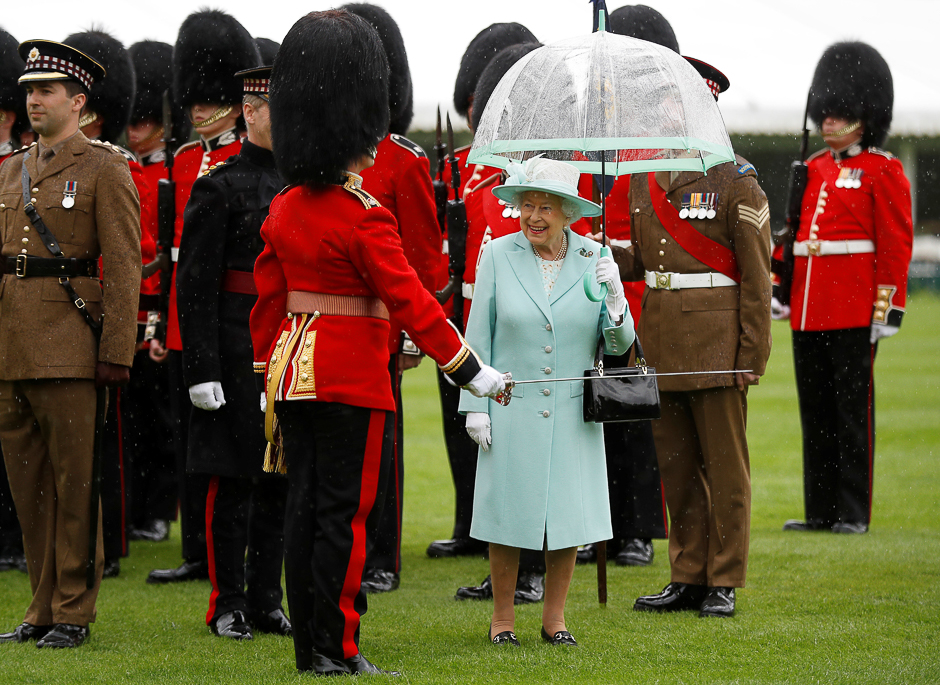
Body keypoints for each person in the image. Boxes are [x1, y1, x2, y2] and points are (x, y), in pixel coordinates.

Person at [250, 10, 505, 676]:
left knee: (303, 510)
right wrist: (468, 367)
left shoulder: (285, 207)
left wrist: (264, 370)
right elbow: (412, 302)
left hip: (292, 376)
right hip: (350, 377)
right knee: (344, 518)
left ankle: (310, 645)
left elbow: (268, 298)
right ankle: (340, 646)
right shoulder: (363, 217)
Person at [601, 58, 772, 619]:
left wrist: (751, 355)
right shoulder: (645, 178)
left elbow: (755, 274)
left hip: (718, 343)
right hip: (664, 339)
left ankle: (723, 577)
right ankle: (687, 574)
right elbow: (649, 260)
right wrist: (603, 253)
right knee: (675, 467)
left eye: (673, 105)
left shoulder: (735, 177)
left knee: (725, 468)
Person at [0, 39, 141, 648]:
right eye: (30, 90)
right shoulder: (9, 169)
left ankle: (73, 611)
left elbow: (126, 264)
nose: (34, 99)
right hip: (11, 345)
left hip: (70, 344)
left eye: (47, 91)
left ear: (78, 102)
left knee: (75, 485)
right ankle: (39, 607)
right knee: (28, 490)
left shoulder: (104, 166)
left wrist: (115, 351)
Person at [461, 156, 634, 647]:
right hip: (509, 405)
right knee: (507, 517)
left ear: (568, 214)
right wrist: (474, 404)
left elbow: (618, 346)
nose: (533, 217)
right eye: (526, 206)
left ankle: (554, 620)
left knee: (567, 518)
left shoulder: (593, 258)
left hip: (572, 412)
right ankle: (502, 621)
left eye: (545, 209)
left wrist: (616, 301)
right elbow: (479, 335)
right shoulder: (496, 254)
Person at [776, 42, 912, 535]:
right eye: (824, 115)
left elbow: (894, 246)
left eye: (838, 115)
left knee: (852, 413)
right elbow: (794, 235)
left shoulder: (884, 170)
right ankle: (821, 511)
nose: (827, 123)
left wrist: (885, 308)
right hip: (808, 308)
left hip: (855, 308)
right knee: (816, 412)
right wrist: (780, 286)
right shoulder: (811, 169)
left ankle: (853, 511)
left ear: (864, 116)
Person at [176, 65, 290, 641]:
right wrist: (200, 368)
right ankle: (228, 602)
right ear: (249, 110)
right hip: (231, 347)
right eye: (274, 105)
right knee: (233, 479)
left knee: (278, 477)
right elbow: (194, 288)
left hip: (285, 350)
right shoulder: (218, 184)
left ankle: (268, 599)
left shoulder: (301, 183)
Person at [147, 10, 261, 585]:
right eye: (192, 98)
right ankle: (196, 551)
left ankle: (232, 561)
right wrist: (161, 326)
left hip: (227, 321)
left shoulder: (238, 164)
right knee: (188, 439)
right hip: (181, 317)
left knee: (228, 452)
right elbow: (176, 259)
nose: (196, 108)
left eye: (207, 98)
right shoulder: (185, 161)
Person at [342, 2, 445, 595]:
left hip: (383, 326)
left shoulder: (402, 160)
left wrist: (409, 335)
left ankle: (382, 554)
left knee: (383, 442)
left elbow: (425, 260)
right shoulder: (321, 159)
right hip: (327, 323)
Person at [429, 22, 539, 563]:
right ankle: (470, 524)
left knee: (512, 441)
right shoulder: (460, 172)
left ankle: (524, 549)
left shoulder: (532, 175)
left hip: (511, 319)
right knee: (461, 424)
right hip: (462, 315)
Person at [575, 3, 676, 569]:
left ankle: (637, 528)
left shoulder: (655, 143)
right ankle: (599, 526)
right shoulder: (588, 133)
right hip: (585, 289)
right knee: (593, 415)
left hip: (633, 292)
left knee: (635, 414)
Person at [452, 40, 547, 606]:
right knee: (492, 461)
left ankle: (533, 570)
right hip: (482, 323)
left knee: (530, 456)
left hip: (528, 327)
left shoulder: (547, 181)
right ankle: (503, 571)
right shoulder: (478, 176)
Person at [124, 39, 180, 545]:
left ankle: (160, 507)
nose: (136, 127)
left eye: (145, 119)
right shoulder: (125, 168)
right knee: (131, 415)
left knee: (161, 416)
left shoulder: (172, 170)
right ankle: (134, 505)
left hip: (161, 302)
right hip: (127, 302)